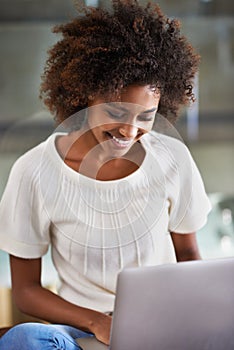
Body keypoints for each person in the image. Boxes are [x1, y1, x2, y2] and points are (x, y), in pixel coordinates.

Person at [0, 1, 211, 349]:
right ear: (85, 96)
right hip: (80, 332)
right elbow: (26, 291)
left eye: (146, 116)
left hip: (160, 326)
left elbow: (188, 257)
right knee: (27, 339)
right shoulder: (34, 170)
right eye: (116, 111)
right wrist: (99, 323)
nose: (129, 130)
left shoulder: (173, 159)